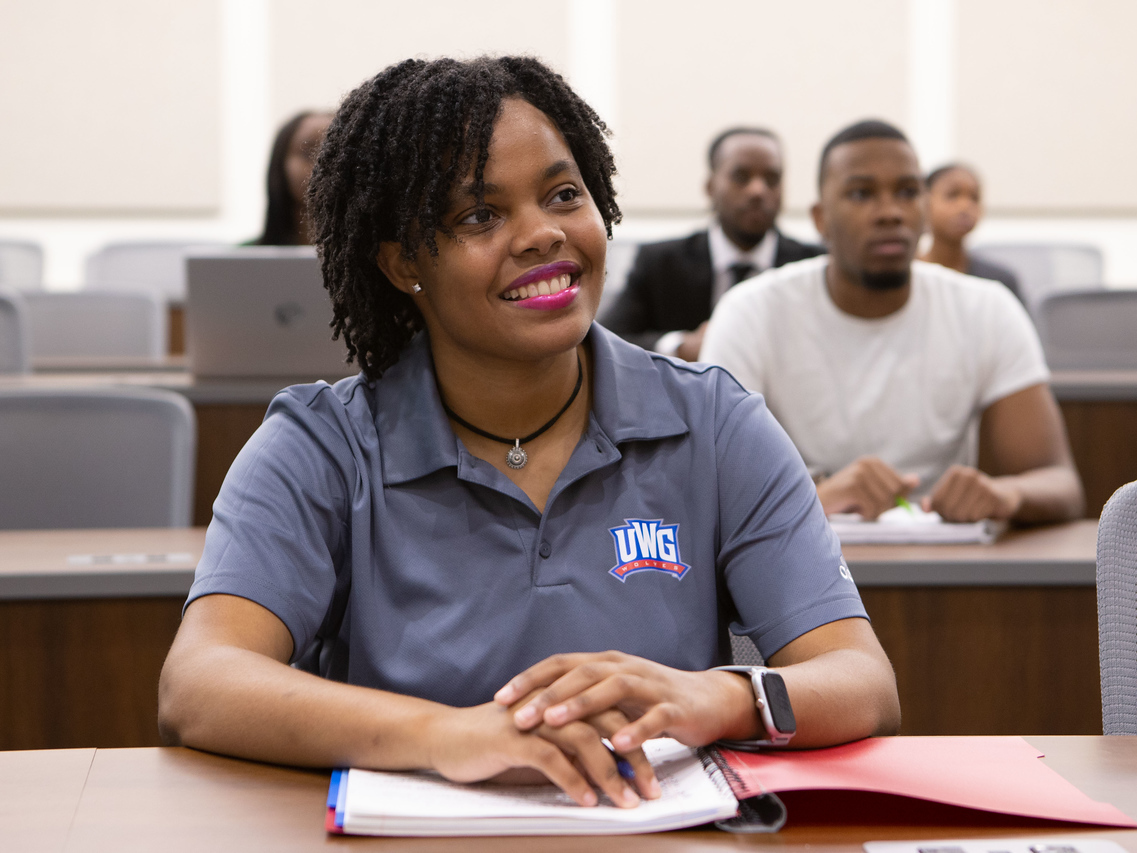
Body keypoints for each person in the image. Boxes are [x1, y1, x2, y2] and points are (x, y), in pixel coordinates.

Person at [158, 57, 900, 811]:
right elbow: (200, 682)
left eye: (563, 194)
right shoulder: (321, 445)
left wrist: (720, 696)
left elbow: (861, 679)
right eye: (481, 215)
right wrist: (447, 735)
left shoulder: (714, 421)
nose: (543, 233)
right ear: (403, 261)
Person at [700, 120, 1084, 524]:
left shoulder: (986, 308)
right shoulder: (749, 311)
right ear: (820, 218)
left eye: (907, 192)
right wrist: (815, 497)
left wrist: (1006, 494)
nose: (890, 212)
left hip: (940, 566)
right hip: (792, 569)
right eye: (861, 193)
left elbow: (1060, 482)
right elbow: (708, 485)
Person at [599, 128, 824, 360]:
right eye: (741, 176)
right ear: (710, 186)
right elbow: (606, 339)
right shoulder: (661, 263)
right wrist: (679, 347)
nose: (758, 190)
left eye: (772, 179)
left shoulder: (815, 265)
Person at [920, 163, 1020, 299]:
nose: (965, 206)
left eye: (974, 198)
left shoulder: (997, 281)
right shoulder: (907, 277)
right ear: (925, 202)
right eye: (952, 195)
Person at [251, 110, 334, 245]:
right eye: (308, 153)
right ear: (280, 164)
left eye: (334, 154)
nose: (323, 164)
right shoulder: (240, 260)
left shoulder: (378, 261)